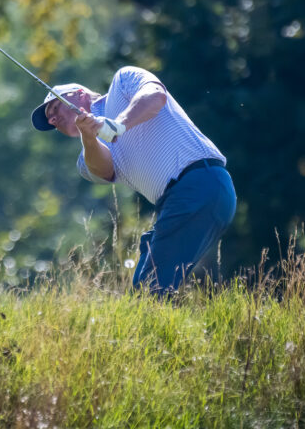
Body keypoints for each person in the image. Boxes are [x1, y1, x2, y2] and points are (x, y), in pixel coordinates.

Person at [30, 66, 237, 298]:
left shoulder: (123, 81)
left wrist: (117, 124)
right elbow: (104, 169)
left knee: (148, 293)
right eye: (50, 120)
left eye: (55, 107)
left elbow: (156, 96)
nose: (52, 119)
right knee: (146, 289)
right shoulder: (87, 155)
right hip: (184, 199)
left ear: (79, 94)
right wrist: (90, 137)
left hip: (200, 182)